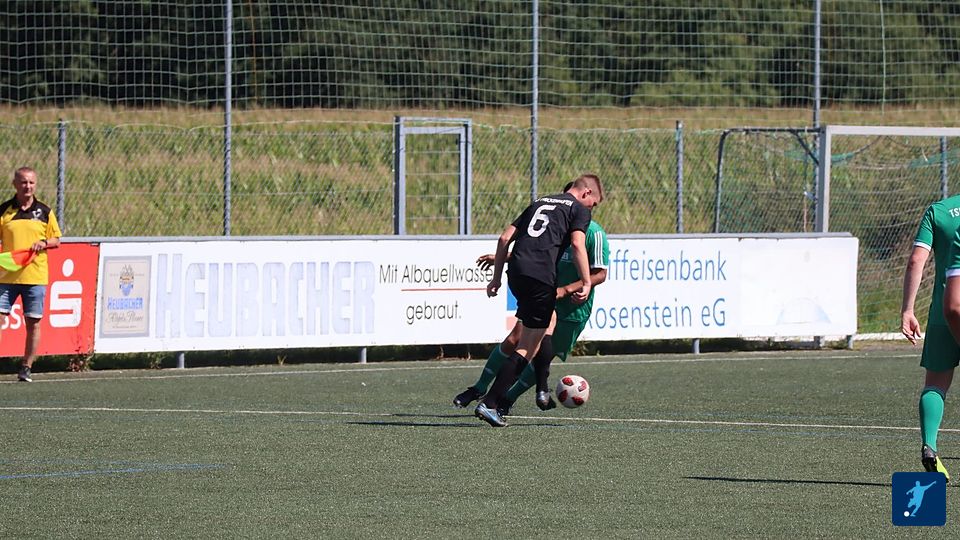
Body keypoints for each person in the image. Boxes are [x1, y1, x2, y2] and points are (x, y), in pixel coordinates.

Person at [474, 174, 603, 427]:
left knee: (535, 333)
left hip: (517, 275)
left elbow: (504, 239)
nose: (592, 209)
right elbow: (577, 245)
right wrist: (586, 282)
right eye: (594, 203)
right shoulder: (578, 210)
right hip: (541, 277)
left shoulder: (540, 202)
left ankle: (535, 389)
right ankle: (490, 403)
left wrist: (496, 278)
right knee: (528, 346)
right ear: (586, 193)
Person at [453, 216, 609, 414]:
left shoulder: (594, 233)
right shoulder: (556, 224)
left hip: (573, 308)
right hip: (544, 295)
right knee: (514, 339)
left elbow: (600, 274)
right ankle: (479, 388)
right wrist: (504, 257)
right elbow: (535, 253)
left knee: (542, 356)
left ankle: (508, 399)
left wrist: (566, 290)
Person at [901, 194, 960, 480]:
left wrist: (908, 309)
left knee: (935, 385)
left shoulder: (939, 211)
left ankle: (930, 446)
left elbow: (916, 261)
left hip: (942, 312)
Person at [0, 167, 62, 382]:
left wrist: (44, 243)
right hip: (7, 277)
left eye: (31, 182)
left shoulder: (44, 211)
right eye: (23, 182)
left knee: (33, 323)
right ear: (15, 184)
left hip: (35, 276)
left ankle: (26, 366)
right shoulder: (4, 210)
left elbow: (56, 240)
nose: (28, 186)